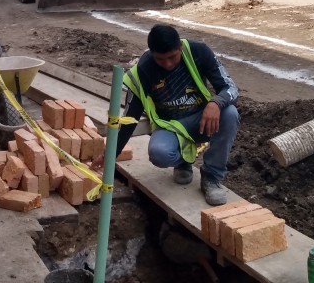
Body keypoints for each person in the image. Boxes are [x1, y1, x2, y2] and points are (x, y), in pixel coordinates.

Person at [93, 24, 240, 206]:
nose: (168, 64)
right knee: (159, 154)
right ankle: (183, 161)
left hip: (201, 120)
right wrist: (110, 154)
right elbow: (129, 117)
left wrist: (216, 102)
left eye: (172, 57)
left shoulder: (198, 51)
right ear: (152, 53)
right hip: (171, 126)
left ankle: (211, 177)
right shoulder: (144, 69)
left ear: (180, 46)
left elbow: (231, 88)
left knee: (230, 113)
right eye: (161, 60)